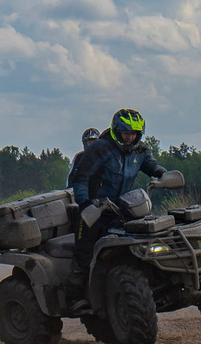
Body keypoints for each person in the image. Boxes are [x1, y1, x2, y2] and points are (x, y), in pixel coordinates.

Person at [69, 108, 165, 274]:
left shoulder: (139, 151)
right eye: (125, 132)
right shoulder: (100, 148)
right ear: (116, 131)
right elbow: (81, 177)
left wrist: (162, 173)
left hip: (121, 211)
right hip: (94, 211)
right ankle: (76, 292)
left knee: (134, 249)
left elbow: (151, 165)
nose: (130, 137)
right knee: (84, 258)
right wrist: (85, 203)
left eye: (134, 133)